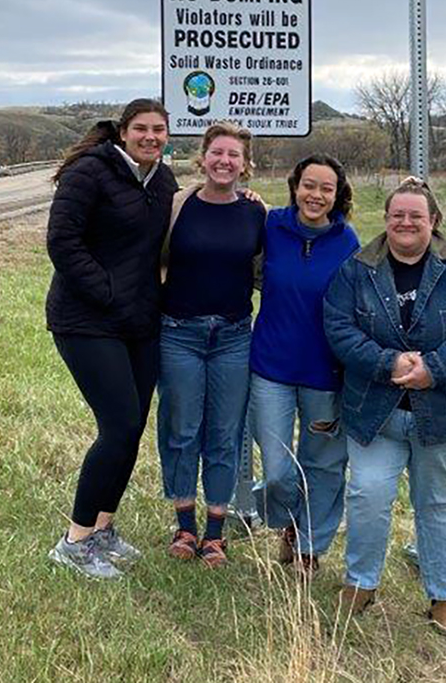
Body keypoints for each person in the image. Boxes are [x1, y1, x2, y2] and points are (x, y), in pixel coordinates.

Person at [324, 177, 446, 635]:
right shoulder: (357, 268)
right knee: (368, 497)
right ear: (385, 219)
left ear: (434, 222)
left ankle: (443, 597)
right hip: (375, 411)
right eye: (397, 215)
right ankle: (361, 583)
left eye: (416, 216)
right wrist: (389, 362)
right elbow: (339, 327)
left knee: (438, 503)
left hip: (442, 411)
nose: (405, 223)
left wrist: (434, 368)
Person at [46, 99, 178, 579]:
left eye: (158, 130)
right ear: (123, 132)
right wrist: (107, 291)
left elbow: (174, 232)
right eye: (141, 128)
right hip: (85, 320)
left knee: (133, 428)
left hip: (139, 322)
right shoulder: (89, 173)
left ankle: (103, 528)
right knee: (118, 426)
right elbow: (62, 242)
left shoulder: (163, 181)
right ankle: (74, 541)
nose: (150, 136)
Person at [156, 122, 266, 567]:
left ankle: (216, 532)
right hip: (179, 332)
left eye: (233, 155)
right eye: (216, 153)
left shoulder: (258, 213)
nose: (224, 161)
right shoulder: (177, 205)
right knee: (182, 429)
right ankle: (185, 524)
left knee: (226, 433)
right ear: (202, 158)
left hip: (234, 336)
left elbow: (267, 270)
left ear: (245, 164)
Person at [249, 154, 360, 572]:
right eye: (309, 185)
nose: (316, 195)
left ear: (337, 195)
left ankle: (309, 547)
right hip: (271, 367)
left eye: (326, 188)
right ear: (296, 187)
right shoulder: (270, 225)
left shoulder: (348, 242)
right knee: (277, 469)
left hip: (324, 373)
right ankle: (287, 519)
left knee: (324, 464)